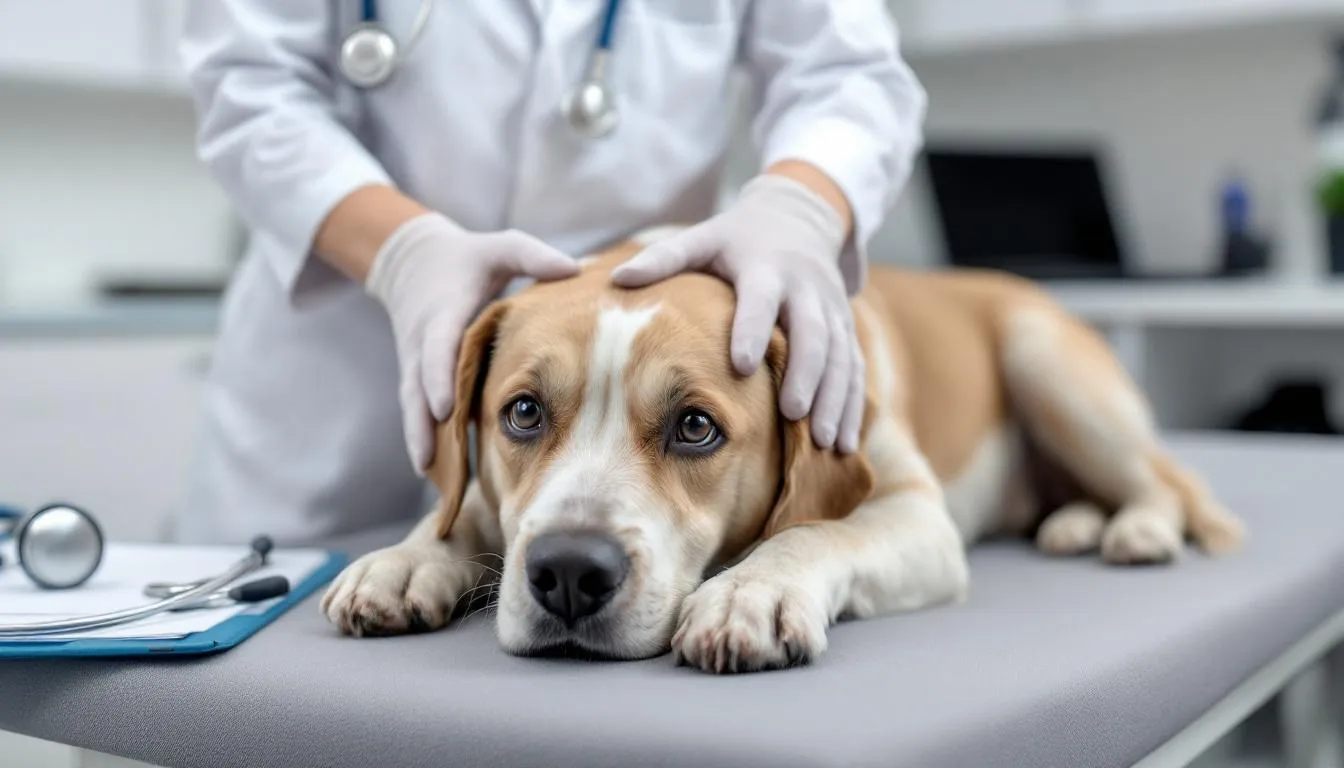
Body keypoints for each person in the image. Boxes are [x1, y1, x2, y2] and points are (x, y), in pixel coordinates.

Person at [174, 1, 927, 546]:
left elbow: (848, 74)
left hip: (648, 350)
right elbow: (250, 86)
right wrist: (400, 252)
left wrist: (800, 203)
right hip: (337, 386)